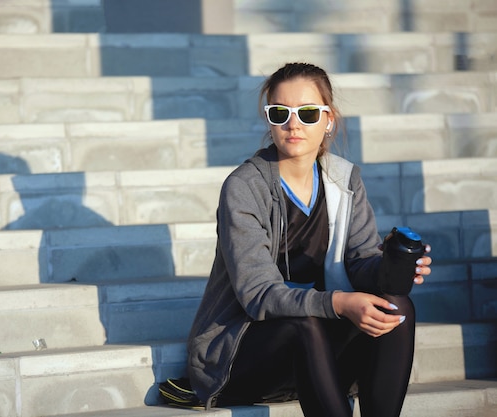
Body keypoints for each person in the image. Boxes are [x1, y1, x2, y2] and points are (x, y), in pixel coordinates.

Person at [185, 62, 432, 416]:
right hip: (242, 357)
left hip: (318, 353)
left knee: (396, 307)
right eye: (280, 112)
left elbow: (360, 262)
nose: (293, 123)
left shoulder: (344, 179)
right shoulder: (244, 188)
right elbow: (259, 295)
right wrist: (340, 304)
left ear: (329, 119)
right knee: (304, 324)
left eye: (308, 112)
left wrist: (394, 266)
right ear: (270, 120)